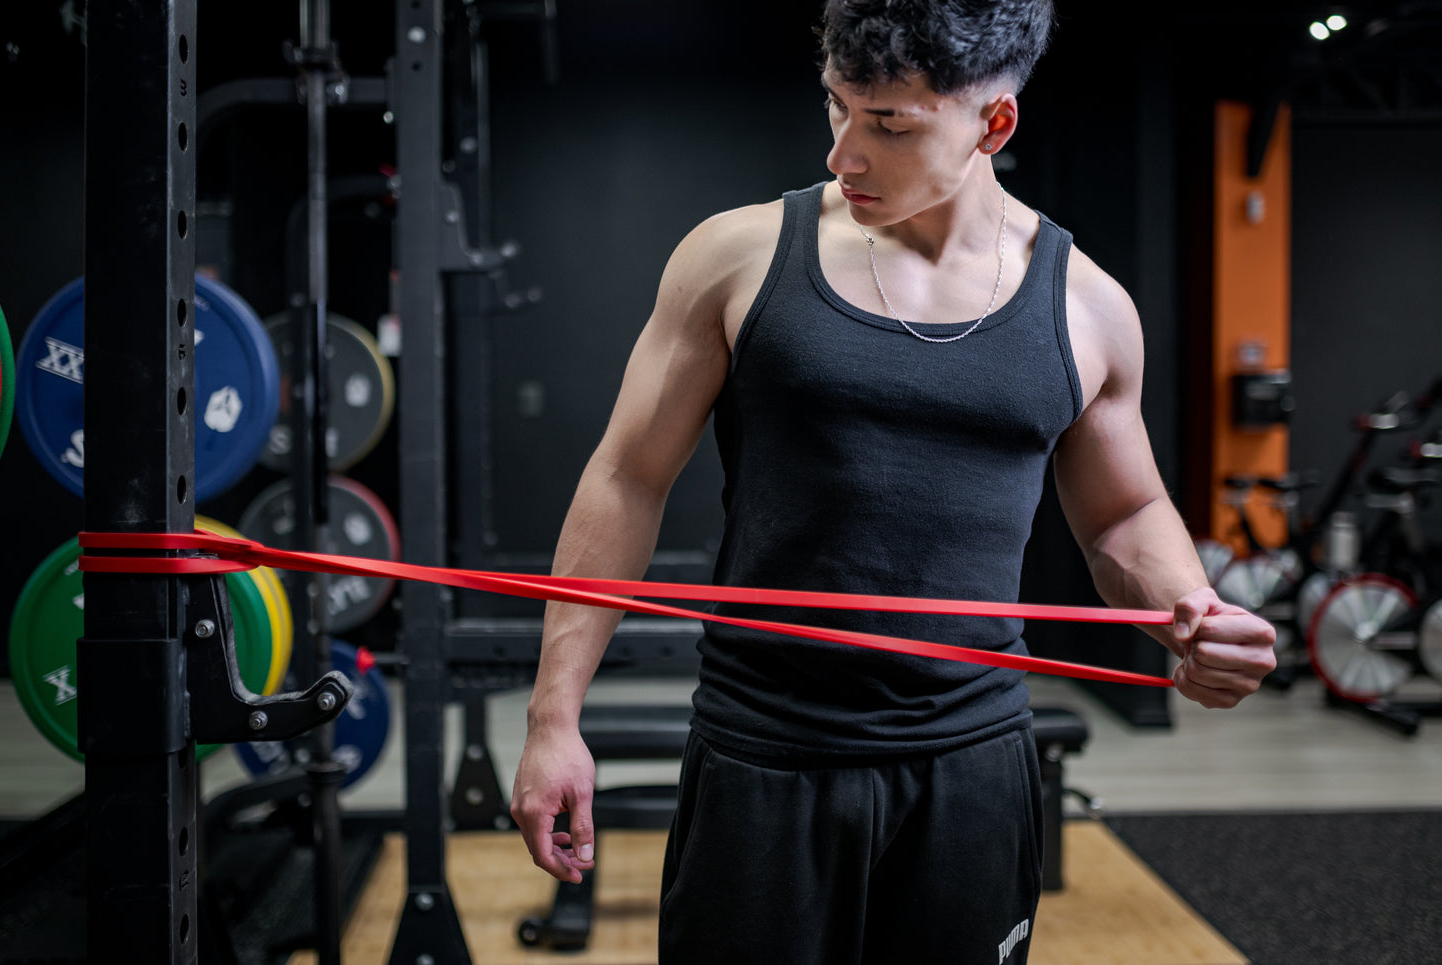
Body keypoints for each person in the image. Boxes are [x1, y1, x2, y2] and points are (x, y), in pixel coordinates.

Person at [510, 1, 1277, 962]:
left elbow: (1123, 515)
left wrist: (1193, 613)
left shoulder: (1087, 306)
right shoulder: (738, 257)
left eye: (889, 125)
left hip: (970, 768)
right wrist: (553, 718)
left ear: (992, 124)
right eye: (836, 108)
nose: (844, 153)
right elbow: (625, 478)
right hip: (766, 755)